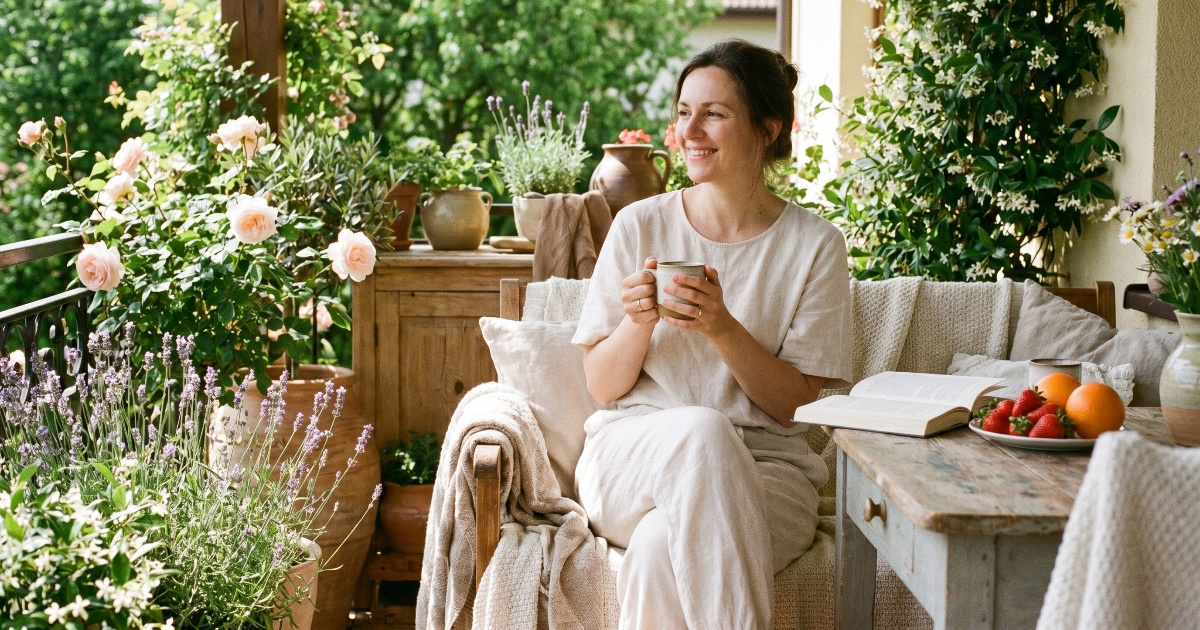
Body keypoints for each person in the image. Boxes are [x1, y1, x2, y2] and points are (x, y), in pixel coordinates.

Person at [570, 39, 853, 629]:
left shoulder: (815, 246)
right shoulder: (638, 224)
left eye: (714, 113)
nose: (689, 131)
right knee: (701, 430)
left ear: (768, 129)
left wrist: (722, 328)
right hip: (632, 457)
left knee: (657, 552)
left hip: (767, 473)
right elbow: (601, 386)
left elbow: (796, 407)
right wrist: (637, 324)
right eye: (683, 112)